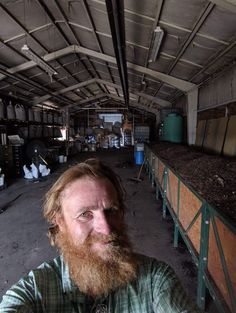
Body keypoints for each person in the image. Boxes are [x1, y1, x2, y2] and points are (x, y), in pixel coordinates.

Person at [0, 158, 202, 312]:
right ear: (59, 222)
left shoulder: (156, 280)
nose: (105, 228)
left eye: (111, 210)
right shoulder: (34, 292)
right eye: (85, 214)